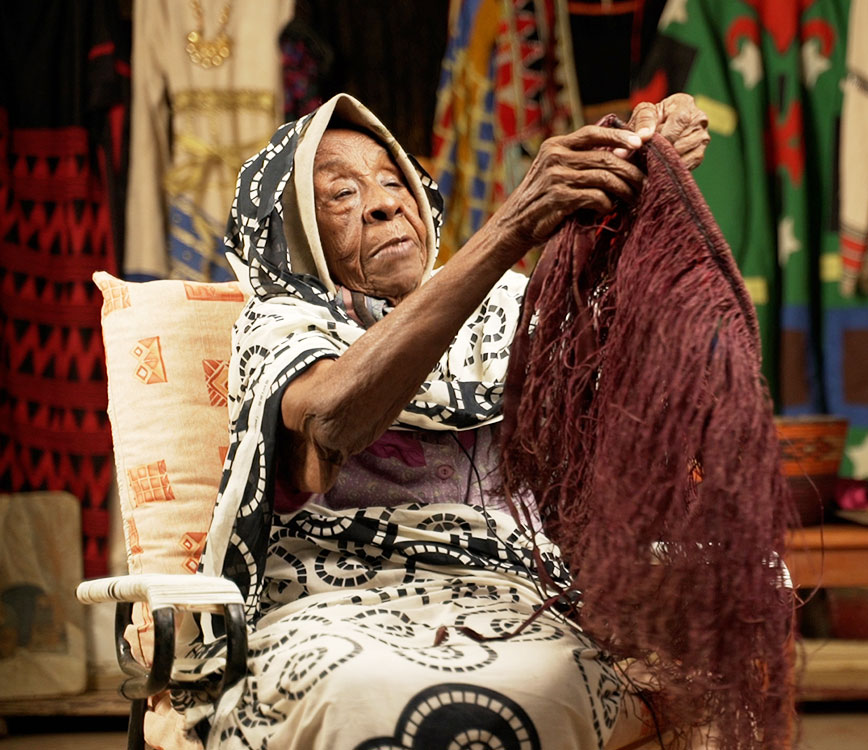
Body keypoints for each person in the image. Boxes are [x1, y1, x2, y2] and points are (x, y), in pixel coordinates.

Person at [182, 93, 709, 749]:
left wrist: (645, 178)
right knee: (362, 691)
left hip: (514, 597)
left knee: (538, 681)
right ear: (296, 234)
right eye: (340, 195)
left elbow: (636, 393)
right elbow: (331, 420)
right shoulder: (283, 323)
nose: (381, 202)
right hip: (327, 607)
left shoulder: (511, 305)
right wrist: (511, 226)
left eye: (392, 179)